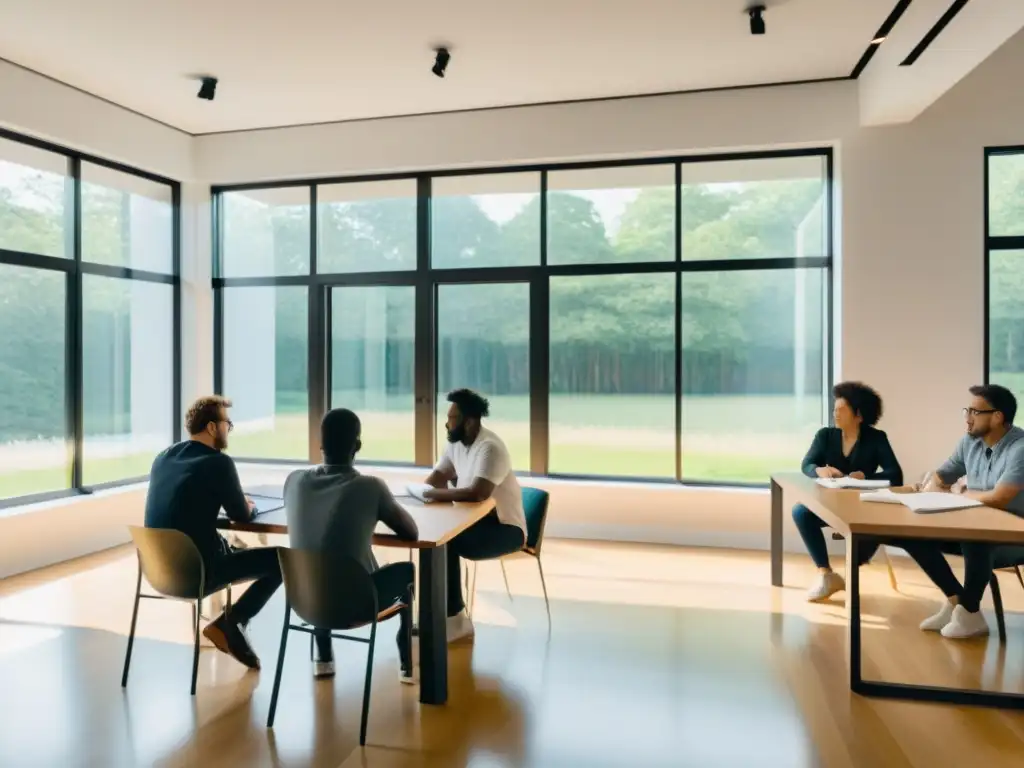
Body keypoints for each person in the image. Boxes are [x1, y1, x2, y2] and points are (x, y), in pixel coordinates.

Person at [144, 395, 282, 670]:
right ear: (211, 427)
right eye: (226, 424)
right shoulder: (218, 462)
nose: (228, 430)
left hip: (157, 569)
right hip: (197, 573)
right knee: (281, 561)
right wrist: (250, 506)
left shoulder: (163, 457)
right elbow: (241, 514)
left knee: (229, 547)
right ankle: (231, 623)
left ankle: (228, 625)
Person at [284, 409, 418, 681]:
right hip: (356, 604)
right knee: (407, 572)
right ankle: (406, 662)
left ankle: (322, 659)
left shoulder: (294, 480)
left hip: (305, 602)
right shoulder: (370, 487)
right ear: (357, 445)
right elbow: (411, 532)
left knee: (319, 562)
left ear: (320, 444)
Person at [903, 384, 1024, 639]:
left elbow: (1000, 497)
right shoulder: (969, 442)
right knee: (909, 533)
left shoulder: (1020, 448)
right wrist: (933, 486)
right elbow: (942, 474)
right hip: (975, 531)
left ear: (998, 416)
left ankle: (969, 613)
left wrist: (958, 495)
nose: (967, 418)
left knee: (975, 537)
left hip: (1013, 537)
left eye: (974, 412)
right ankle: (957, 601)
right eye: (966, 410)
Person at [421, 389, 526, 643]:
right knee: (435, 538)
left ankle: (455, 620)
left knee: (445, 540)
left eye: (452, 417)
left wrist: (431, 493)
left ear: (469, 421)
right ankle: (437, 617)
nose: (447, 423)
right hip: (472, 523)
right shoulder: (455, 444)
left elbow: (478, 493)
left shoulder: (490, 448)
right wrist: (428, 490)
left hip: (504, 529)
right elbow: (435, 479)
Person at [795, 381, 903, 602]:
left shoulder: (876, 438)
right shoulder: (825, 436)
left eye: (841, 410)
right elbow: (806, 465)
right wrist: (819, 470)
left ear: (859, 415)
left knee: (859, 555)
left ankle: (852, 576)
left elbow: (895, 475)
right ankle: (826, 574)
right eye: (835, 408)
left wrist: (866, 476)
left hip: (863, 508)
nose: (835, 413)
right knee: (800, 512)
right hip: (832, 504)